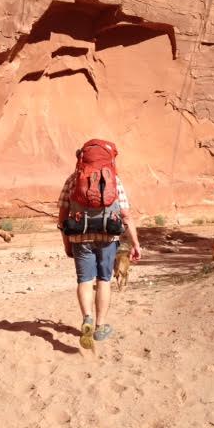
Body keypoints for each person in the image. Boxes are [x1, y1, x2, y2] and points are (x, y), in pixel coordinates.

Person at [57, 141, 142, 349]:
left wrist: (67, 243)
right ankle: (100, 326)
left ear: (81, 159)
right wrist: (135, 244)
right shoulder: (115, 180)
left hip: (80, 237)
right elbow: (126, 215)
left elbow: (62, 217)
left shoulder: (73, 179)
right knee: (104, 280)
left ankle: (87, 318)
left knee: (85, 280)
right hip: (108, 236)